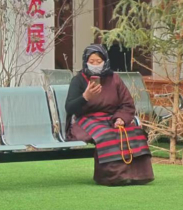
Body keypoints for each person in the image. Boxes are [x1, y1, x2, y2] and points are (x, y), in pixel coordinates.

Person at [65, 45, 155, 186]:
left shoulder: (115, 79)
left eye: (98, 61)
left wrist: (120, 118)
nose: (95, 65)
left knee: (134, 132)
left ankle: (138, 175)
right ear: (85, 62)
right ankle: (112, 177)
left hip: (112, 118)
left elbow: (127, 104)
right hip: (86, 120)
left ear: (105, 61)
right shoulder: (79, 80)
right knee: (106, 134)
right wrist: (85, 97)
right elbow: (70, 107)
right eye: (91, 61)